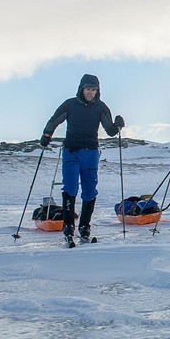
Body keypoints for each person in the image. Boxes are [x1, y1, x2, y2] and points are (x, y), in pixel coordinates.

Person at [40, 73, 124, 245]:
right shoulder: (70, 104)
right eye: (88, 89)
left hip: (91, 153)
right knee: (70, 188)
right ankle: (68, 226)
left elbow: (109, 130)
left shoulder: (101, 107)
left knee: (89, 191)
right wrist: (47, 135)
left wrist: (118, 125)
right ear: (81, 89)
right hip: (71, 151)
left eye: (94, 90)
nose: (91, 93)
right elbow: (54, 120)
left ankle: (84, 226)